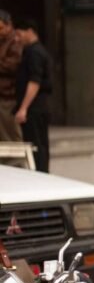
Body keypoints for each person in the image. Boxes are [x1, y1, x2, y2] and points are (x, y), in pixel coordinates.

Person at [13, 17, 52, 172]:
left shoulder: (34, 53)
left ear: (30, 31)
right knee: (39, 145)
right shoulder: (34, 51)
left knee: (36, 147)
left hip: (35, 109)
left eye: (19, 34)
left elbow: (34, 82)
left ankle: (40, 175)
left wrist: (23, 108)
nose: (17, 39)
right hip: (37, 107)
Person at [0, 10, 22, 142]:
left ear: (9, 25)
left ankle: (16, 162)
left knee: (10, 131)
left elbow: (12, 64)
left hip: (9, 93)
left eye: (1, 28)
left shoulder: (15, 40)